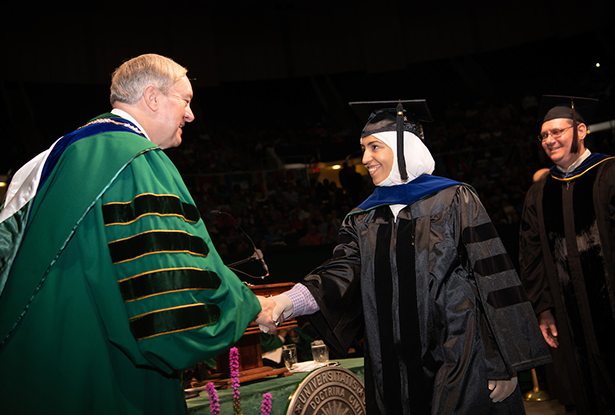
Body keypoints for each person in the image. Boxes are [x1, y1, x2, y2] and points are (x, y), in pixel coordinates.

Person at [0, 54, 261, 415]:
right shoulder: (135, 160)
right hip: (105, 376)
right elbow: (168, 297)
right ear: (152, 98)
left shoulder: (57, 156)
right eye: (184, 100)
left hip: (39, 365)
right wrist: (249, 307)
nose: (191, 115)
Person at [256, 100, 550, 414]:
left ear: (404, 148)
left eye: (374, 147)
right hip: (391, 371)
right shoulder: (363, 218)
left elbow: (493, 281)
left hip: (460, 360)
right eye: (363, 148)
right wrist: (284, 302)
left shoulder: (455, 200)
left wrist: (503, 364)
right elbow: (339, 273)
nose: (365, 158)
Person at [519, 95, 615, 415]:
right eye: (544, 135)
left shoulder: (609, 173)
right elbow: (530, 254)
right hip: (567, 313)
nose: (550, 140)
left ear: (582, 130)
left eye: (558, 132)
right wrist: (543, 307)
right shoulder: (540, 191)